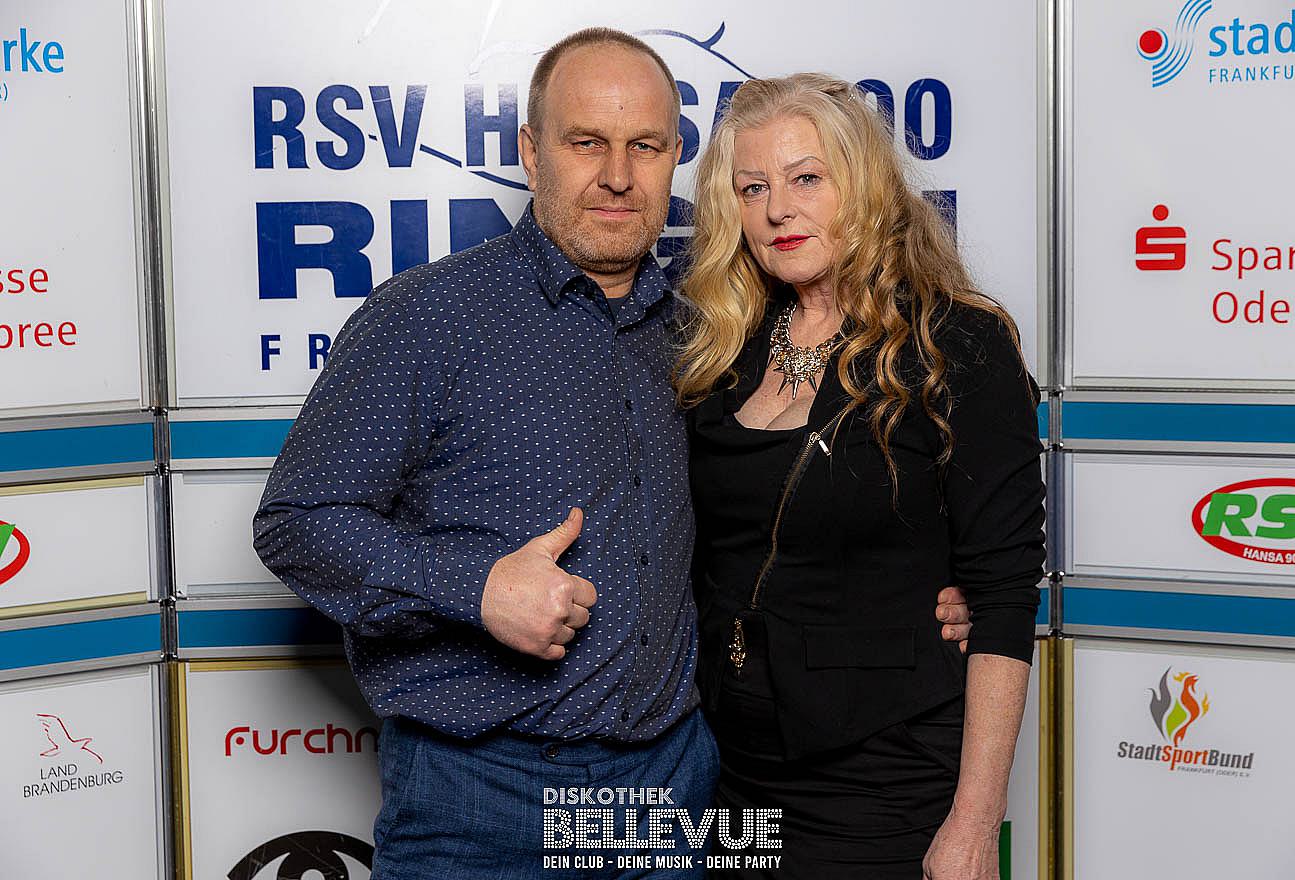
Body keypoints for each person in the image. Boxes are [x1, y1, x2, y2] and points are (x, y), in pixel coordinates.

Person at [253, 29, 973, 879]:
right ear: (531, 153)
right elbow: (296, 523)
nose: (619, 176)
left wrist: (921, 594)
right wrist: (475, 588)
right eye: (586, 142)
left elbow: (782, 515)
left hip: (667, 788)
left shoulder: (714, 334)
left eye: (646, 146)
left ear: (676, 158)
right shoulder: (430, 316)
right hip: (481, 798)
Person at [675, 74, 1046, 879]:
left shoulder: (957, 345)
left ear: (866, 187)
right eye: (753, 188)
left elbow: (1004, 601)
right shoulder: (721, 350)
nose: (778, 210)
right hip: (731, 770)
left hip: (887, 773)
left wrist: (975, 825)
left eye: (807, 178)